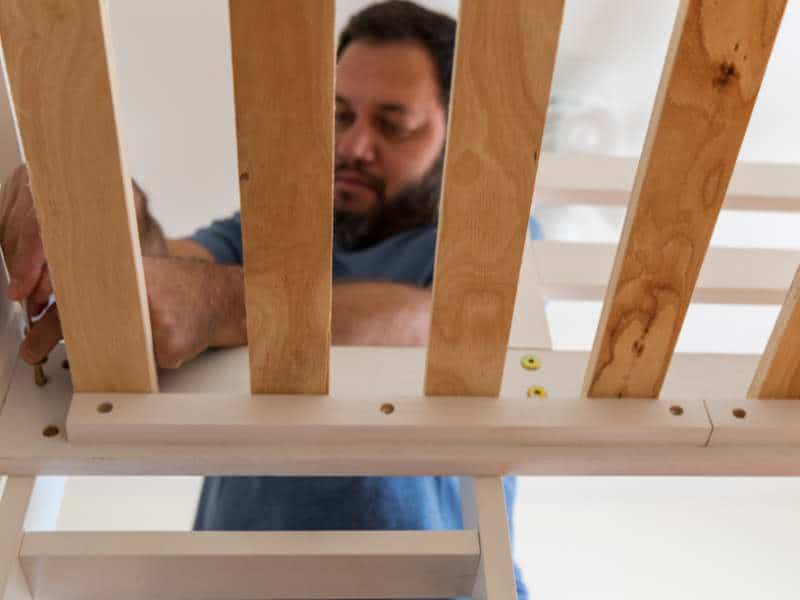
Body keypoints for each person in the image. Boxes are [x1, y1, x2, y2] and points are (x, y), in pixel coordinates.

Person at [0, 2, 529, 597]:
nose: (355, 146)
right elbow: (162, 272)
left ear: (458, 136)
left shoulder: (483, 235)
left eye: (394, 125)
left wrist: (228, 304)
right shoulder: (269, 237)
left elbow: (443, 322)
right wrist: (103, 204)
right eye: (340, 115)